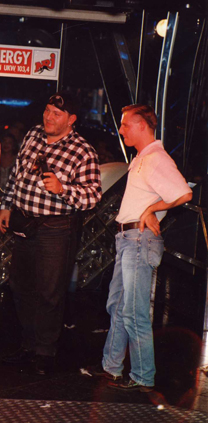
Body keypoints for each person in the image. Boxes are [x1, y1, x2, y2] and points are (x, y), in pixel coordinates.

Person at [88, 104, 192, 392]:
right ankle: (112, 367)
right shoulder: (143, 158)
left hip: (138, 240)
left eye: (125, 125)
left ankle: (143, 376)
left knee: (133, 311)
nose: (121, 130)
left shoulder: (156, 158)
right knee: (119, 306)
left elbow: (184, 193)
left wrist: (151, 210)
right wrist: (152, 208)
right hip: (129, 240)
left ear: (142, 126)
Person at [0, 92, 102, 375]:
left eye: (57, 114)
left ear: (71, 120)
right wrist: (6, 205)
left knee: (49, 292)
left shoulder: (83, 151)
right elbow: (17, 174)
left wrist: (63, 189)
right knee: (20, 286)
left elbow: (93, 196)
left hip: (56, 229)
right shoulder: (33, 135)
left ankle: (45, 351)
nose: (48, 117)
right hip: (24, 222)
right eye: (47, 110)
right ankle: (29, 345)